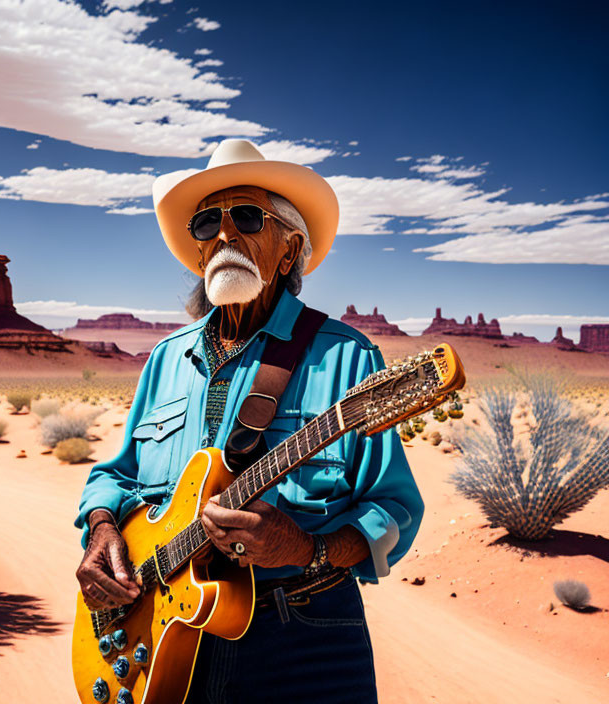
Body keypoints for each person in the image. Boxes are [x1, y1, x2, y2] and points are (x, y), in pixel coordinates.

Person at [74, 139, 425, 703]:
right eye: (208, 221)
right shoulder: (167, 357)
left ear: (289, 251)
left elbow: (393, 511)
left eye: (244, 217)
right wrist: (102, 530)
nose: (223, 234)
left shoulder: (348, 358)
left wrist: (305, 549)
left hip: (302, 637)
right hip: (164, 636)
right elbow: (115, 478)